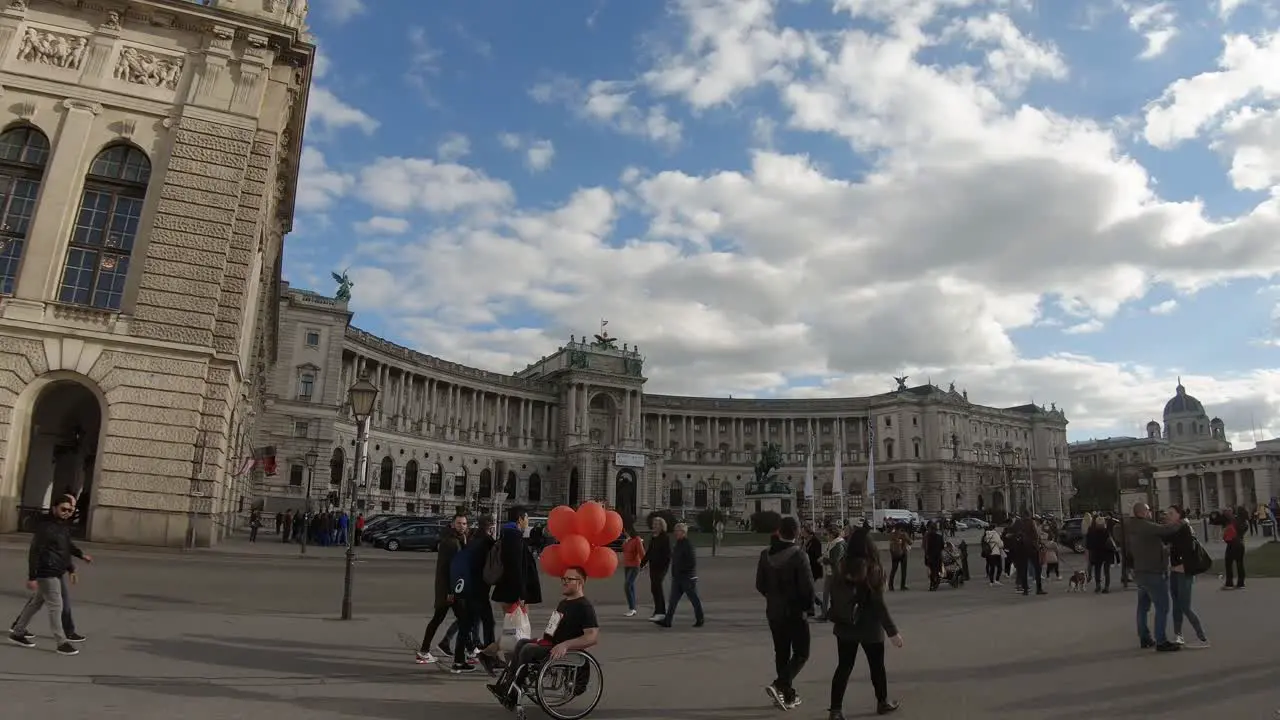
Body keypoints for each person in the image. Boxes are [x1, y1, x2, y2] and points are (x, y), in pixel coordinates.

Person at [487, 564, 599, 709]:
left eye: (569, 579)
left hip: (565, 651)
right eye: (563, 578)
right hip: (552, 645)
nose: (564, 582)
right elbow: (553, 627)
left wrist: (565, 645)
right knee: (522, 643)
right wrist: (544, 639)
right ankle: (506, 686)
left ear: (581, 582)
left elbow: (592, 637)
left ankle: (513, 693)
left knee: (528, 649)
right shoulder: (563, 603)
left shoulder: (584, 606)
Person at [827, 529, 901, 718]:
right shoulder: (873, 568)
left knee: (843, 667)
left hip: (845, 626)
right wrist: (892, 632)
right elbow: (879, 604)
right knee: (877, 667)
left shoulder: (841, 566)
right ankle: (882, 702)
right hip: (870, 627)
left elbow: (834, 596)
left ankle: (835, 709)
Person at [9, 496, 90, 655]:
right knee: (56, 606)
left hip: (56, 571)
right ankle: (61, 642)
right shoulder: (46, 528)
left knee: (36, 603)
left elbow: (65, 549)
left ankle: (18, 631)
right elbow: (35, 552)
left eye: (70, 510)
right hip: (47, 572)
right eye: (63, 509)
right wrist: (32, 576)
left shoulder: (62, 527)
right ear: (54, 508)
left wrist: (78, 559)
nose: (67, 513)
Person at [756, 516, 816, 710]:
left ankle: (786, 695)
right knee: (801, 653)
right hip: (795, 612)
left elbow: (760, 585)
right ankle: (779, 684)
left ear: (779, 532)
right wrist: (809, 608)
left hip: (774, 611)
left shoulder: (765, 555)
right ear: (797, 533)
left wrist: (773, 597)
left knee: (781, 652)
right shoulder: (799, 555)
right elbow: (807, 588)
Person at [1121, 502, 1183, 651]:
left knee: (1142, 607)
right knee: (1162, 607)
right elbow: (1167, 530)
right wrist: (1181, 522)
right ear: (1143, 512)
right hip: (1153, 572)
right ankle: (1161, 641)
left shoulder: (1131, 527)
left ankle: (1145, 638)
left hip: (1140, 572)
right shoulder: (1145, 526)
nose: (1151, 513)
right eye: (1148, 510)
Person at [416, 514, 468, 666]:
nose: (462, 526)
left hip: (447, 590)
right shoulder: (452, 543)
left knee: (438, 619)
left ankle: (425, 651)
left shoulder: (454, 540)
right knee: (464, 621)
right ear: (453, 525)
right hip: (451, 591)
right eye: (459, 523)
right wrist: (452, 592)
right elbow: (452, 569)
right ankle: (462, 658)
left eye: (464, 523)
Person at [1164, 505, 1209, 648]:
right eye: (1167, 513)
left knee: (1184, 605)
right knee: (1176, 604)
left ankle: (1201, 636)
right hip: (1175, 572)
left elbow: (1190, 552)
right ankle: (1178, 635)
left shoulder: (1185, 530)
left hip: (1184, 572)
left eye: (1171, 513)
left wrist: (1183, 566)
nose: (1167, 516)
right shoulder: (1174, 530)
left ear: (1179, 515)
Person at [658, 523, 704, 628]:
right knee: (673, 600)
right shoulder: (678, 544)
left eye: (677, 531)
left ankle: (700, 619)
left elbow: (692, 562)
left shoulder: (687, 545)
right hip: (677, 578)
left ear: (683, 532)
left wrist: (682, 570)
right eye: (674, 530)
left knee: (694, 599)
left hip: (687, 578)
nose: (675, 533)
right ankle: (667, 621)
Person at [641, 517, 671, 623]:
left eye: (657, 524)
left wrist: (663, 565)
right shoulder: (653, 537)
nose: (654, 525)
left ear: (662, 526)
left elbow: (668, 554)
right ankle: (657, 611)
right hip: (653, 566)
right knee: (654, 589)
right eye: (654, 524)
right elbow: (649, 552)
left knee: (657, 587)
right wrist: (642, 563)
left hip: (661, 567)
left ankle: (661, 612)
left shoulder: (665, 537)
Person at [817, 526, 846, 620]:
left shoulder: (838, 544)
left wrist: (823, 559)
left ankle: (827, 614)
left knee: (830, 594)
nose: (826, 536)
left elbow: (835, 560)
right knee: (829, 594)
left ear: (833, 534)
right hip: (831, 571)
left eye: (827, 534)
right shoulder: (833, 543)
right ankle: (827, 613)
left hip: (835, 572)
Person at [1085, 516, 1113, 593]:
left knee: (1097, 569)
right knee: (1106, 571)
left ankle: (1098, 585)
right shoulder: (1107, 532)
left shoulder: (1091, 532)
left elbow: (1088, 545)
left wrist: (1089, 553)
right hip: (1107, 553)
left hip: (1096, 553)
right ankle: (1106, 587)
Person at [621, 528, 645, 617]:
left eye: (626, 531)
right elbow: (625, 551)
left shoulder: (637, 539)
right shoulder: (627, 540)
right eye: (624, 531)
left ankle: (632, 608)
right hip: (627, 566)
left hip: (635, 566)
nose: (625, 532)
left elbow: (641, 552)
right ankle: (633, 608)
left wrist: (644, 564)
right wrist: (625, 542)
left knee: (627, 585)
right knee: (631, 586)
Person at [1222, 510, 1246, 589]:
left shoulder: (1229, 522)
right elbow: (1245, 528)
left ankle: (1229, 583)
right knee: (1240, 564)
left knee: (1228, 563)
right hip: (1240, 544)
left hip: (1232, 544)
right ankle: (1241, 583)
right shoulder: (1241, 521)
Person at [886, 524, 911, 591]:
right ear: (900, 528)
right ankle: (902, 586)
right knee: (903, 571)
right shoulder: (903, 534)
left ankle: (890, 585)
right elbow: (910, 542)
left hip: (894, 554)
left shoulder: (892, 535)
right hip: (903, 554)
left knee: (893, 570)